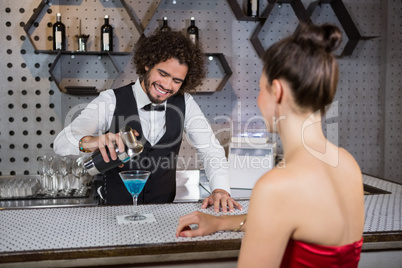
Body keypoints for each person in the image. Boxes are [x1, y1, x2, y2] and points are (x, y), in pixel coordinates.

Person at [176, 23, 365, 268]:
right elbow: (294, 217)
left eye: (259, 88)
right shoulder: (347, 164)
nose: (258, 99)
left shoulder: (276, 186)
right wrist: (220, 222)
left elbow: (281, 207)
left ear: (276, 91)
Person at [53, 29, 242, 212]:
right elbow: (61, 142)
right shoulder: (110, 100)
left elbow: (211, 151)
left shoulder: (185, 103)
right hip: (112, 215)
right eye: (163, 74)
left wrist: (220, 189)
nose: (167, 86)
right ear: (147, 64)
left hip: (163, 215)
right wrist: (92, 142)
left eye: (177, 80)